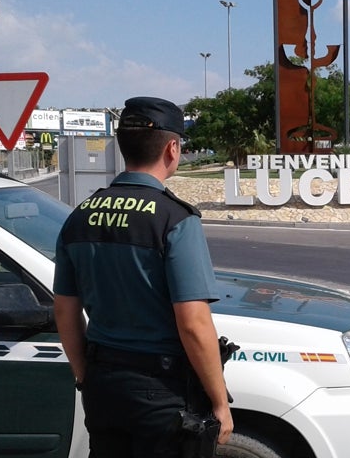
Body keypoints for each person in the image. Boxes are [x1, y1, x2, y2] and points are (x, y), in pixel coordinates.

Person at [53, 96, 232, 457]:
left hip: (103, 384)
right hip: (161, 391)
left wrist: (85, 376)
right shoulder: (175, 219)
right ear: (172, 148)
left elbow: (65, 312)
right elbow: (194, 324)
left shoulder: (80, 216)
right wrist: (219, 402)